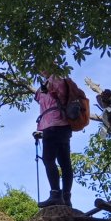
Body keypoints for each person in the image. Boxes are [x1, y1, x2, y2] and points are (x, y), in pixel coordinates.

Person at [34, 71, 74, 208]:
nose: (41, 70)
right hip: (61, 125)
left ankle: (56, 194)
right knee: (64, 162)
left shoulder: (54, 80)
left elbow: (54, 99)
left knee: (48, 159)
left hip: (52, 126)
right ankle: (66, 197)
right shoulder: (53, 81)